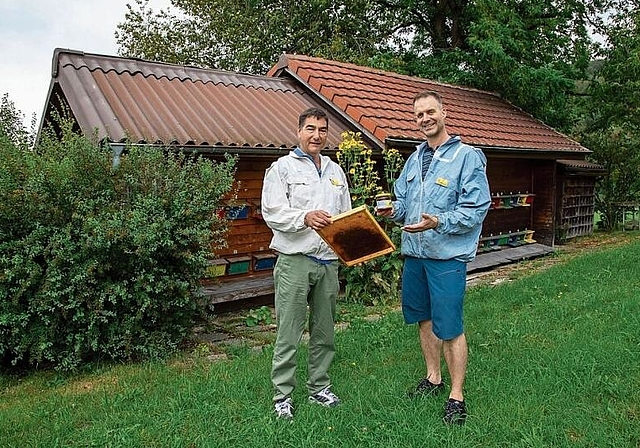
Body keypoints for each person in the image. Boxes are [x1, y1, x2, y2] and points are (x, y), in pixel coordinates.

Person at [377, 90, 491, 425]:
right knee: (424, 319)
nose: (425, 119)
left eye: (430, 112)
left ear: (444, 113)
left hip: (446, 257)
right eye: (419, 115)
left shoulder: (467, 157)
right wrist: (389, 209)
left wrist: (439, 221)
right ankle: (433, 378)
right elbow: (402, 203)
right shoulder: (414, 160)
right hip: (415, 255)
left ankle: (456, 395)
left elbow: (476, 208)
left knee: (450, 327)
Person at [261, 107, 352, 419]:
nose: (317, 135)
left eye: (323, 130)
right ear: (298, 131)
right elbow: (271, 212)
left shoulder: (335, 172)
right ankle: (282, 396)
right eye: (311, 128)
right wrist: (304, 217)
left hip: (328, 262)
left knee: (324, 331)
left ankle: (320, 388)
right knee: (289, 332)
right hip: (295, 262)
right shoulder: (281, 169)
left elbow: (345, 217)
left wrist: (354, 244)